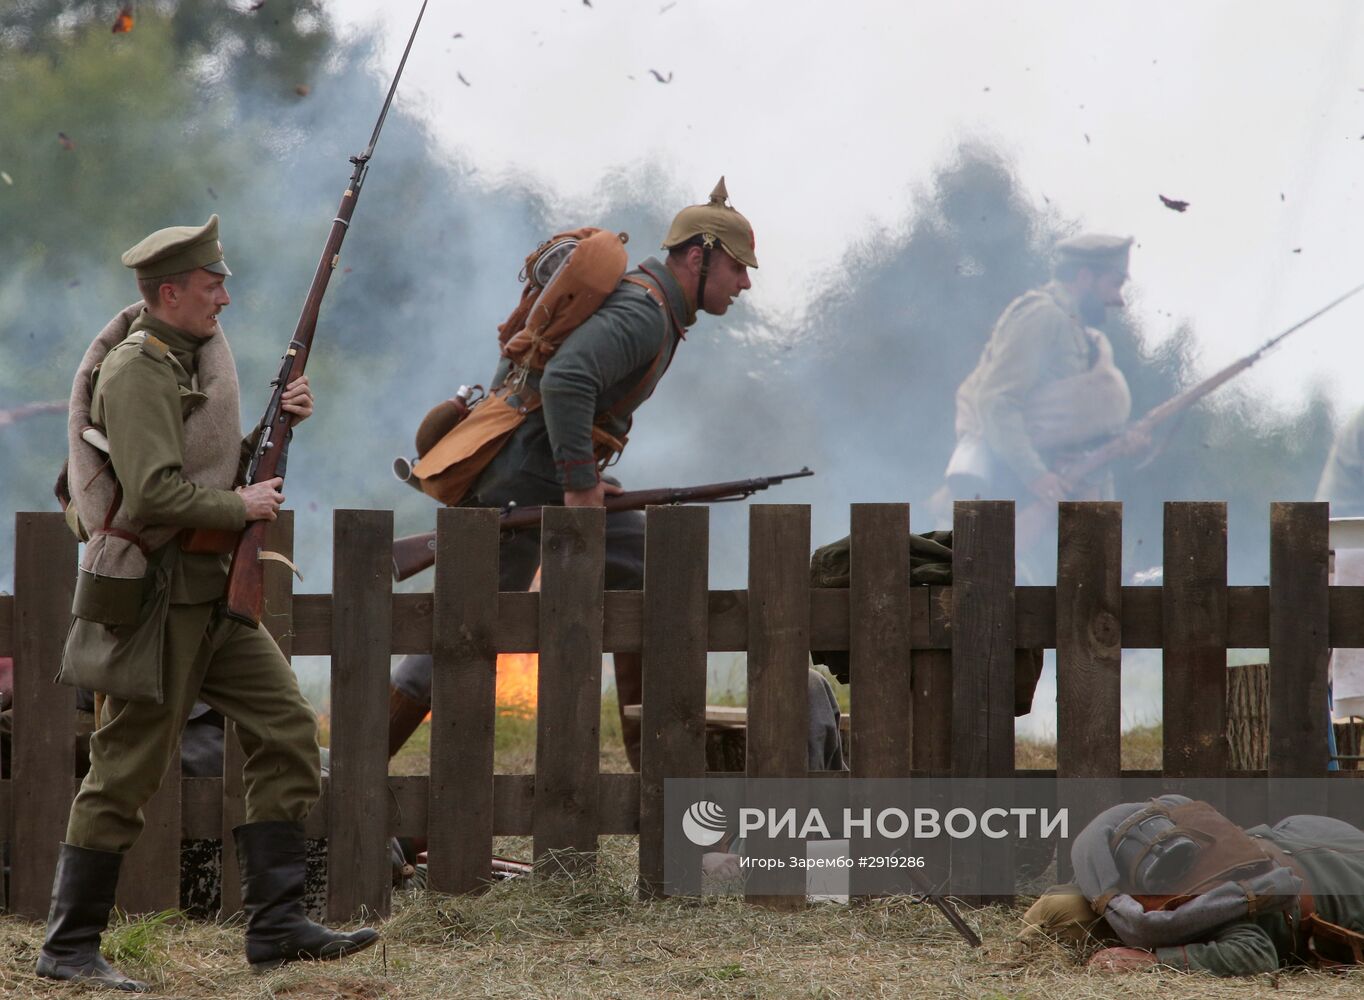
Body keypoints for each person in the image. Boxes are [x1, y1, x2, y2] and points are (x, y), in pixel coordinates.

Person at [38, 216, 376, 991]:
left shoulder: (192, 358)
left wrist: (276, 423)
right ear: (170, 292)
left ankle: (277, 927)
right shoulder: (137, 371)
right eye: (210, 284)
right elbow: (156, 490)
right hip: (155, 600)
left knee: (287, 727)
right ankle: (67, 950)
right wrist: (244, 508)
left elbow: (209, 460)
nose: (225, 296)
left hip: (211, 598)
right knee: (124, 770)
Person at [389, 178, 758, 771]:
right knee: (459, 633)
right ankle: (356, 763)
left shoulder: (653, 306)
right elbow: (566, 383)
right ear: (699, 256)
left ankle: (650, 769)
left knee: (644, 568)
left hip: (535, 478)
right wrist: (580, 484)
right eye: (738, 267)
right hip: (517, 489)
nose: (744, 282)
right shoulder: (644, 312)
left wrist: (584, 478)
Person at [942, 233, 1135, 573]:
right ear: (1085, 277)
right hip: (1015, 487)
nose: (1118, 299)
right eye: (1114, 283)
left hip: (1046, 493)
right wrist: (1038, 478)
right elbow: (996, 401)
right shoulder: (1044, 316)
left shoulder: (1077, 330)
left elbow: (1068, 419)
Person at [1017, 795, 1364, 976]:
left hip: (1342, 889)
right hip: (1303, 839)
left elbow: (1256, 953)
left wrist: (1153, 960)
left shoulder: (1181, 907)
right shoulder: (1108, 873)